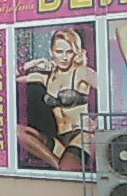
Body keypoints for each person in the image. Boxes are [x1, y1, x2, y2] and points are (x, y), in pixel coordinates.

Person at [16, 28, 98, 171]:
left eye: (69, 52)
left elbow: (111, 89)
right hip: (60, 138)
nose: (65, 57)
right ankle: (57, 165)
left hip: (80, 136)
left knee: (67, 169)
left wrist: (97, 120)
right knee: (17, 131)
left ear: (76, 52)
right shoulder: (46, 77)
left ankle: (62, 167)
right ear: (51, 51)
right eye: (59, 52)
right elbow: (8, 77)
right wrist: (34, 63)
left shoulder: (81, 72)